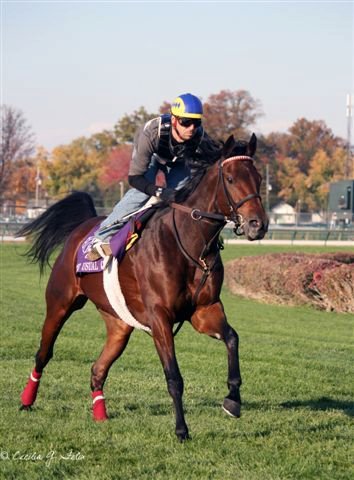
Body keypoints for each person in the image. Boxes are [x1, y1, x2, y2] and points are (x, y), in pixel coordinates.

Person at [87, 93, 220, 261]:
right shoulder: (151, 133)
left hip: (177, 161)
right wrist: (158, 192)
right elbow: (134, 179)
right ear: (173, 120)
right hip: (152, 157)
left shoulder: (199, 136)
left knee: (183, 195)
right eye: (185, 122)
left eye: (196, 122)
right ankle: (101, 236)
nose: (191, 128)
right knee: (141, 193)